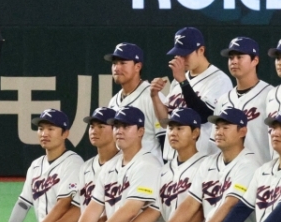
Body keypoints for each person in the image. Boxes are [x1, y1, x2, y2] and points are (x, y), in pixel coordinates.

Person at [150, 27, 234, 160]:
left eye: (185, 54)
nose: (181, 59)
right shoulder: (177, 81)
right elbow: (164, 122)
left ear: (201, 50)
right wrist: (154, 96)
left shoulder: (219, 80)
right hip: (173, 160)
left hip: (201, 158)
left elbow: (204, 116)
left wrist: (183, 81)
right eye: (178, 54)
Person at [212, 37, 271, 158]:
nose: (234, 61)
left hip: (261, 166)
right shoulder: (223, 100)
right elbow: (215, 144)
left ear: (255, 60)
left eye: (239, 57)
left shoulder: (271, 95)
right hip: (230, 169)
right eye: (231, 58)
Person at [105, 43, 160, 155]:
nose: (116, 68)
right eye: (114, 63)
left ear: (137, 67)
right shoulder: (113, 101)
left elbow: (165, 138)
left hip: (149, 163)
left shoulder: (153, 98)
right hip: (123, 164)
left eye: (122, 63)